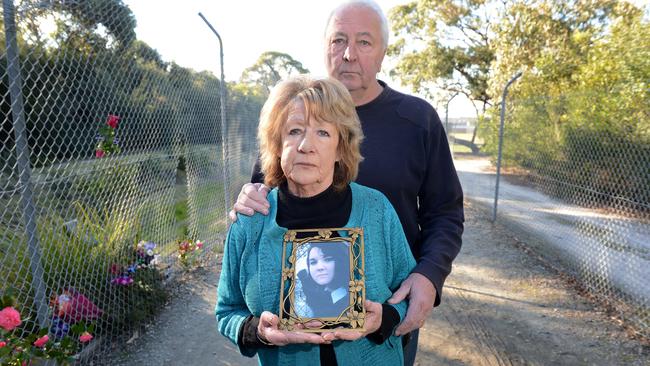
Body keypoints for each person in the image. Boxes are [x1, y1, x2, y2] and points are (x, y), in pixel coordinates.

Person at [230, 1, 465, 365]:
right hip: (296, 327)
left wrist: (428, 275)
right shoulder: (294, 114)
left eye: (364, 42)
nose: (350, 54)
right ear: (325, 47)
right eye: (339, 40)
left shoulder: (418, 120)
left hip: (384, 311)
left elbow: (445, 212)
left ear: (383, 53)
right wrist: (246, 198)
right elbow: (264, 189)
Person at [216, 76, 416, 366]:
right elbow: (226, 312)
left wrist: (383, 319)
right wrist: (258, 331)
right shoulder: (250, 220)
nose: (306, 146)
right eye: (294, 131)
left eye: (322, 132)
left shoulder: (377, 210)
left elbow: (407, 293)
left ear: (340, 147)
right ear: (277, 143)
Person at [299, 242, 350, 318]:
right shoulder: (313, 299)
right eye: (313, 262)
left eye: (328, 259)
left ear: (340, 261)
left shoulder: (350, 300)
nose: (320, 267)